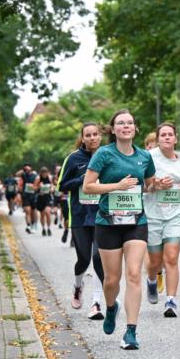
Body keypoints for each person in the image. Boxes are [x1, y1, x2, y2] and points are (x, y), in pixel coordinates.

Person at [82, 110, 157, 350]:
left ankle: (131, 331)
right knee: (112, 279)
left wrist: (157, 184)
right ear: (113, 130)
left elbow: (149, 185)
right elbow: (88, 186)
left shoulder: (145, 157)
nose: (126, 126)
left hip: (136, 222)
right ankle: (111, 307)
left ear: (136, 129)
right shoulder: (104, 154)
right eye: (121, 123)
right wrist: (118, 186)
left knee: (134, 273)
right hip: (108, 223)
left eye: (130, 123)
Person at [58, 122, 107, 318]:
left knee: (98, 258)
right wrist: (83, 179)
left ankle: (97, 302)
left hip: (102, 215)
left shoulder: (107, 156)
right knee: (84, 259)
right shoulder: (73, 159)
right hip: (79, 215)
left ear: (100, 136)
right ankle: (78, 286)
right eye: (88, 135)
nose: (93, 138)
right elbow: (62, 185)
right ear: (83, 138)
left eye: (96, 134)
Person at [144, 122, 180, 317]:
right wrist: (156, 185)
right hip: (154, 215)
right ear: (157, 139)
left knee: (171, 258)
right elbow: (144, 186)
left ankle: (171, 301)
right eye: (162, 134)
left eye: (170, 134)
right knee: (155, 262)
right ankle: (151, 280)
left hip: (175, 214)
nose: (166, 137)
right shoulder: (149, 158)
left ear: (175, 138)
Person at [18, 164, 38, 233]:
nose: (27, 170)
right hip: (25, 196)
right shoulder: (24, 175)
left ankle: (34, 224)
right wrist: (24, 169)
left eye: (28, 168)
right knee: (27, 211)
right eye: (26, 169)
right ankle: (28, 226)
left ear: (31, 167)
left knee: (33, 212)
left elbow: (37, 186)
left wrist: (34, 187)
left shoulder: (35, 176)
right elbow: (17, 174)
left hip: (33, 196)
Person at [35, 166, 54, 236]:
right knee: (42, 215)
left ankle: (49, 228)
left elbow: (52, 185)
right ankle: (43, 228)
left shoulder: (49, 177)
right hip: (40, 198)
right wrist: (38, 187)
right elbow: (34, 188)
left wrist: (52, 188)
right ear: (41, 173)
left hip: (48, 197)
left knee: (47, 212)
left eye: (45, 173)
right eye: (43, 173)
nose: (44, 175)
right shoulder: (38, 178)